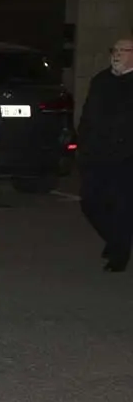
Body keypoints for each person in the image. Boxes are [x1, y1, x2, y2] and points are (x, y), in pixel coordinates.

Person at [77, 36, 133, 273]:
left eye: (123, 50)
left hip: (125, 157)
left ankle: (120, 254)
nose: (117, 54)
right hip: (96, 153)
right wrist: (82, 143)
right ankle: (115, 239)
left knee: (121, 206)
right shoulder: (101, 80)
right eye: (114, 49)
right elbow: (87, 114)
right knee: (90, 202)